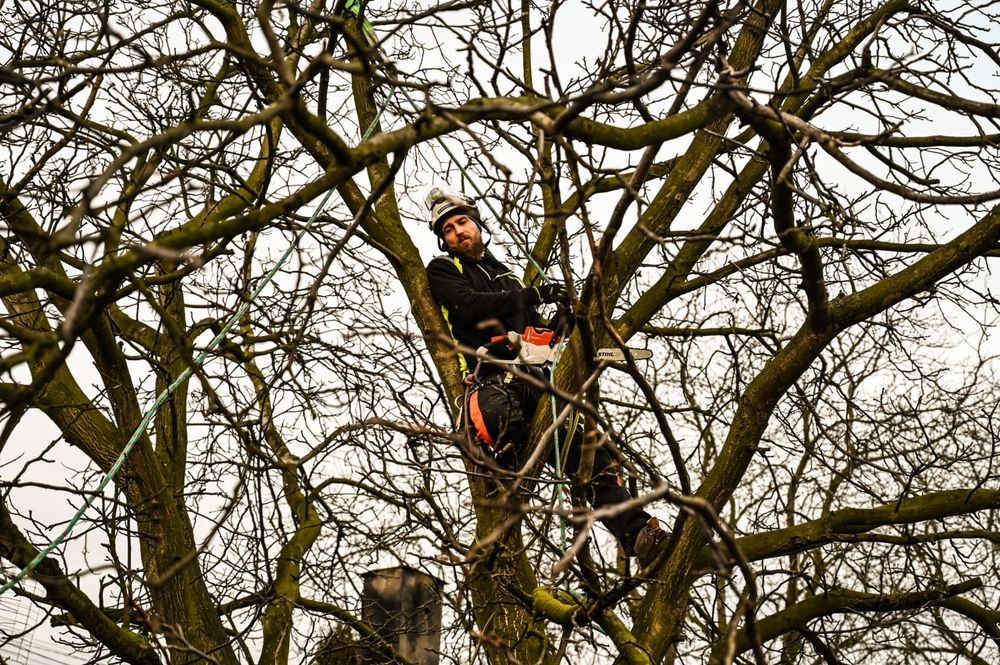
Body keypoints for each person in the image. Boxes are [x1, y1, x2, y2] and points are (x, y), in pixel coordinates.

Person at [423, 188, 668, 568]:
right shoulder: (443, 269)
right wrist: (533, 294)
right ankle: (508, 471)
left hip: (536, 380)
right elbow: (468, 305)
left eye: (462, 222)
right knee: (500, 419)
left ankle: (639, 536)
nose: (458, 232)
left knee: (594, 457)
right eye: (449, 229)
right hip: (491, 378)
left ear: (477, 224)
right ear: (444, 239)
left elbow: (535, 332)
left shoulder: (506, 276)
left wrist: (560, 322)